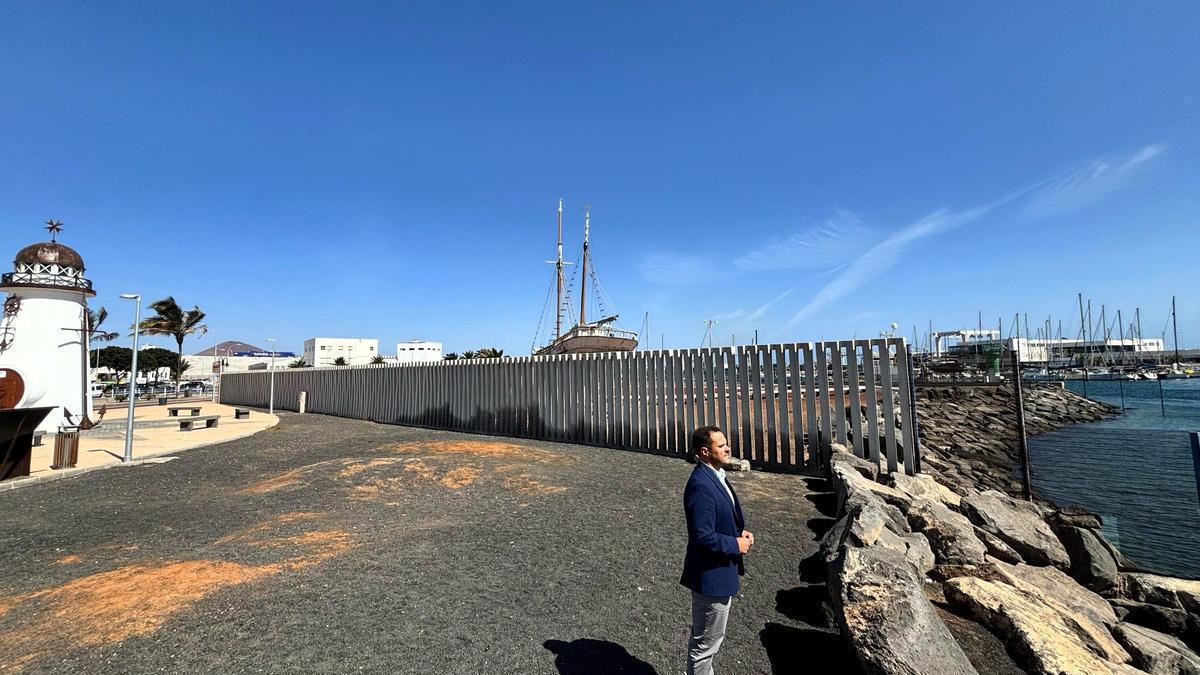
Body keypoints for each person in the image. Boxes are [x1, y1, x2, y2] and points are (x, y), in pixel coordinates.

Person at [680, 425, 753, 675]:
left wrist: (737, 533)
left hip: (719, 572)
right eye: (721, 445)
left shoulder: (716, 475)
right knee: (705, 645)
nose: (728, 448)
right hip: (711, 577)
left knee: (709, 640)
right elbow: (702, 536)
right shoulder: (701, 484)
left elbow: (718, 519)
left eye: (726, 443)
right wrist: (735, 544)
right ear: (704, 451)